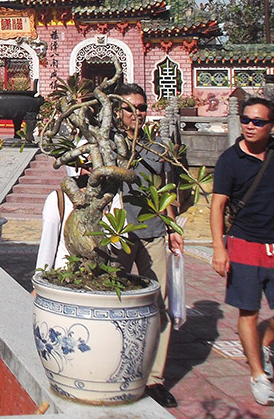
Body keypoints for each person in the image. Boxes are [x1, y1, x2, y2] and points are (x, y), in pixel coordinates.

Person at [35, 83, 181, 408]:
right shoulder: (108, 146)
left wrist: (172, 226)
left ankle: (154, 377)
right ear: (117, 111)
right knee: (109, 299)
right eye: (130, 108)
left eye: (142, 108)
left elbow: (167, 189)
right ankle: (112, 364)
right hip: (115, 232)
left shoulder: (158, 148)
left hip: (153, 232)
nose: (137, 114)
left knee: (158, 302)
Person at [209, 96, 274, 407]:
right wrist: (219, 248)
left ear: (272, 126)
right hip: (244, 242)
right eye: (246, 120)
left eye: (258, 121)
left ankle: (262, 343)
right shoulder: (229, 160)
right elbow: (218, 205)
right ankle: (257, 374)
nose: (250, 126)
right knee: (248, 311)